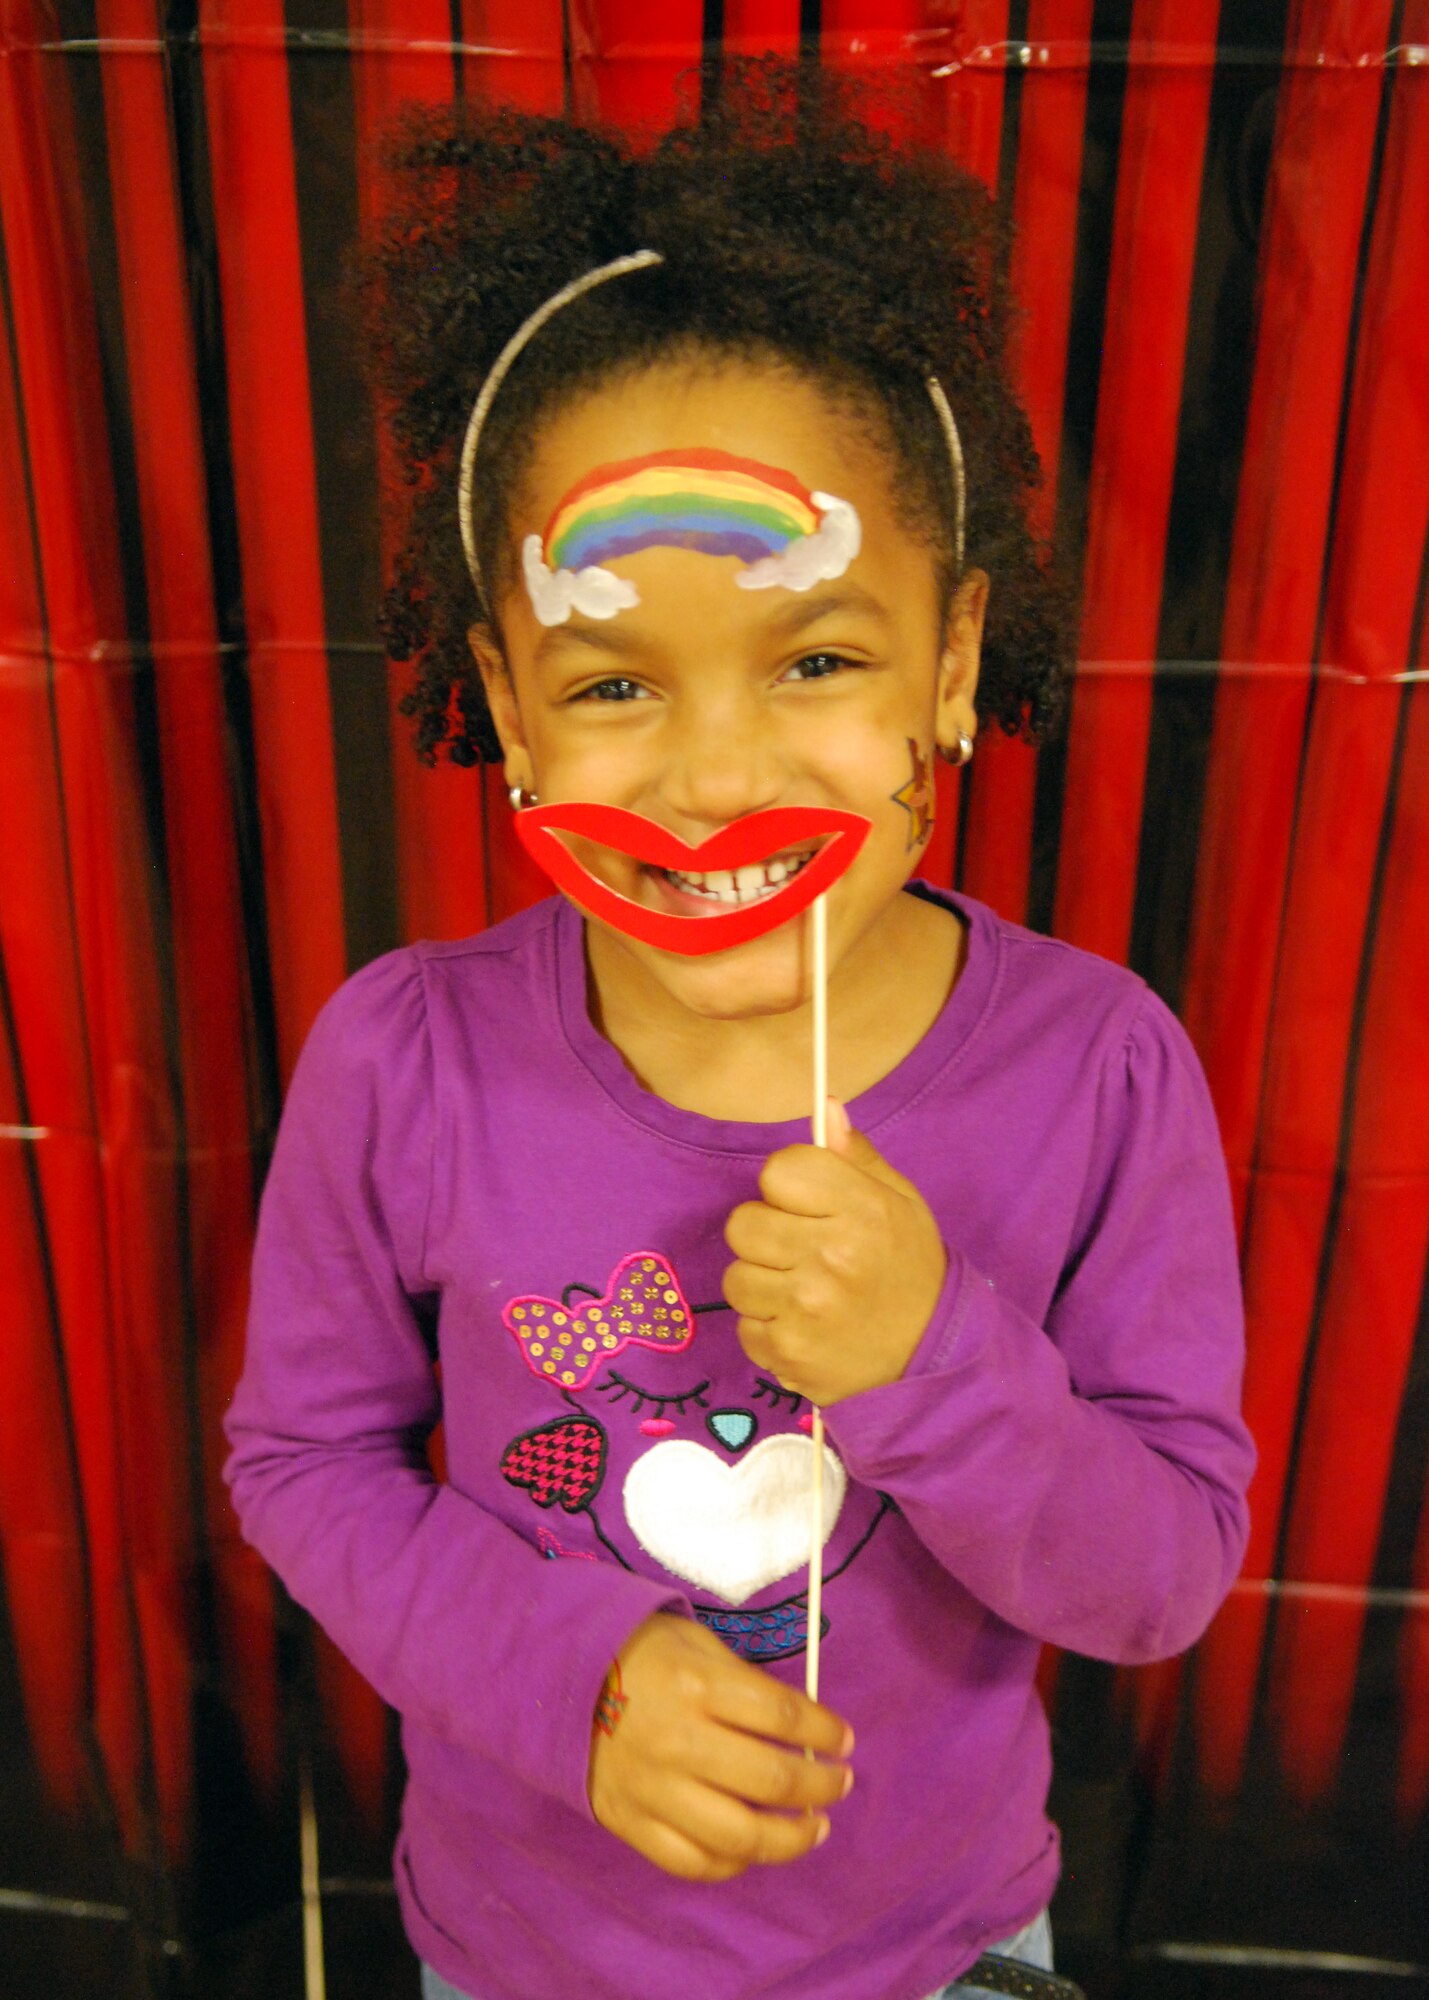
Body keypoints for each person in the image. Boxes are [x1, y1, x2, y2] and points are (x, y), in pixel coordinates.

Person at [224, 60, 1254, 2000]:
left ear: (950, 662)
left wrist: (928, 1360)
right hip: (518, 1954)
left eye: (818, 659)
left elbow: (1159, 1577)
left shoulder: (1099, 1070)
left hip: (936, 1954)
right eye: (612, 678)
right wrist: (578, 1676)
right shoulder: (405, 1060)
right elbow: (301, 1461)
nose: (710, 773)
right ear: (505, 709)